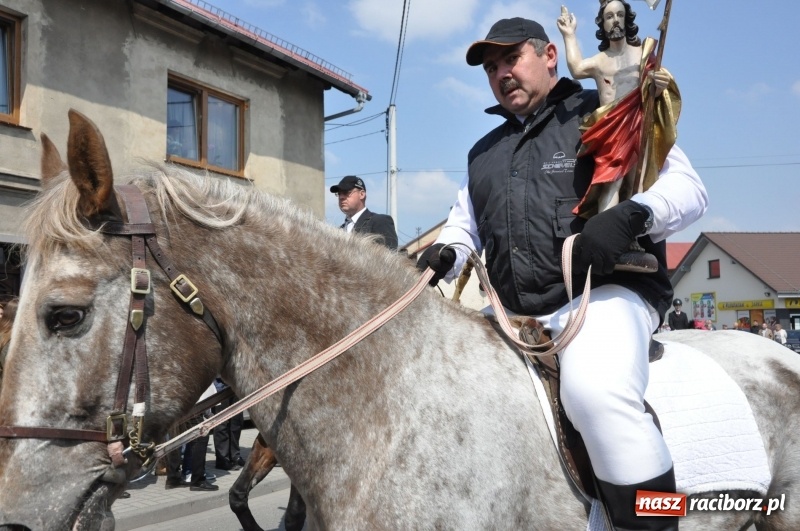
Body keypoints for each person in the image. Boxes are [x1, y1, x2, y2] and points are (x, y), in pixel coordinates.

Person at [416, 17, 706, 531]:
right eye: (491, 68)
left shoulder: (607, 108)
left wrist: (634, 214)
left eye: (511, 59)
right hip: (514, 314)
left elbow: (688, 190)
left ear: (550, 55)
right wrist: (445, 254)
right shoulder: (482, 153)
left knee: (595, 393)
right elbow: (464, 229)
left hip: (605, 295)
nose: (501, 73)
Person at [557, 1, 679, 218]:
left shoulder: (643, 55)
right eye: (609, 16)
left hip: (637, 125)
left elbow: (652, 93)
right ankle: (607, 232)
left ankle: (633, 232)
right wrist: (569, 34)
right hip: (611, 131)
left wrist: (659, 86)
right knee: (610, 181)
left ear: (627, 19)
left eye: (620, 15)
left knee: (636, 184)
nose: (615, 21)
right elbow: (576, 68)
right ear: (602, 24)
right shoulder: (600, 61)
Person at [330, 176, 398, 250]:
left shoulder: (380, 221)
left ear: (362, 194)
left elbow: (390, 254)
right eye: (339, 194)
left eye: (346, 192)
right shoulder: (338, 231)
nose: (341, 197)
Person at [213, 377, 244, 471]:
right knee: (222, 424)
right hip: (220, 386)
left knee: (236, 423)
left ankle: (235, 456)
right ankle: (222, 459)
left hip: (235, 385)